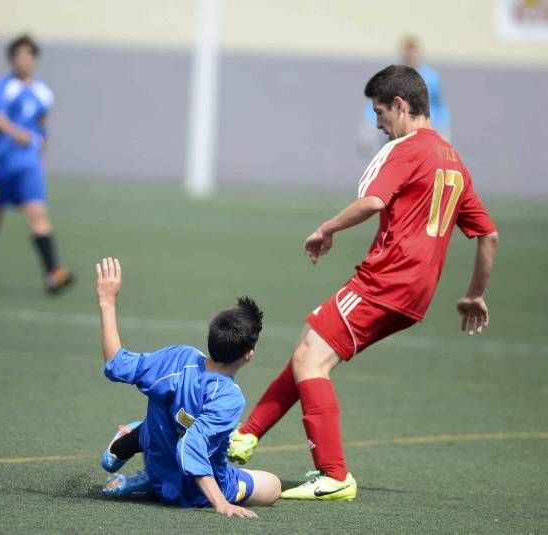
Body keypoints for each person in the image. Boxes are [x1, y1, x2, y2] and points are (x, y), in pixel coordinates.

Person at [228, 65, 499, 501]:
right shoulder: (453, 159)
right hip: (415, 291)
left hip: (388, 279)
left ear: (400, 105)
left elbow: (373, 201)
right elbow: (489, 234)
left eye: (379, 112)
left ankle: (334, 476)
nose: (377, 123)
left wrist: (327, 228)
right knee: (308, 348)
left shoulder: (408, 150)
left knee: (311, 360)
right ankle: (246, 435)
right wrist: (474, 294)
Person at [94, 257, 280, 517]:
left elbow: (116, 365)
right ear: (249, 353)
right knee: (273, 486)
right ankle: (148, 466)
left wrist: (107, 302)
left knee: (166, 418)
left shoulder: (179, 357)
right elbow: (190, 446)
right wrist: (221, 503)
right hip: (195, 493)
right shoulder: (229, 397)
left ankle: (140, 446)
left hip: (161, 467)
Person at [0, 34, 73, 295]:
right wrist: (18, 134)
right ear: (12, 59)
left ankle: (53, 273)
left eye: (28, 55)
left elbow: (42, 123)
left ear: (34, 59)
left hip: (27, 166)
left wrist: (41, 146)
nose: (24, 59)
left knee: (38, 215)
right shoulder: (3, 87)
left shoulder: (44, 92)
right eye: (19, 55)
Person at [358, 36, 451, 157]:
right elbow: (379, 103)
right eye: (408, 53)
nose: (411, 56)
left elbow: (439, 105)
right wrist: (368, 127)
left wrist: (444, 130)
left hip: (422, 134)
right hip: (395, 132)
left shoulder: (431, 78)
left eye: (413, 53)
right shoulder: (392, 76)